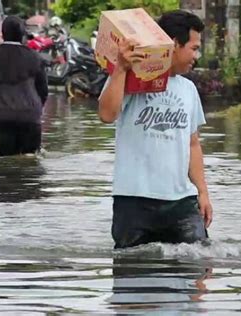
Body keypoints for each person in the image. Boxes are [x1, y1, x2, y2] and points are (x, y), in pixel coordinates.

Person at [98, 10, 212, 248]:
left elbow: (193, 143)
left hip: (181, 200)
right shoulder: (131, 78)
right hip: (134, 200)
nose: (196, 56)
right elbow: (106, 115)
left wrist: (202, 192)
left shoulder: (188, 89)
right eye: (194, 48)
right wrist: (120, 69)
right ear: (174, 44)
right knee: (132, 272)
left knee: (200, 264)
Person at [0, 16, 48, 156]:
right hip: (29, 115)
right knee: (30, 160)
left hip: (0, 116)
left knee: (6, 160)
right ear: (23, 33)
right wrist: (38, 108)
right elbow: (43, 90)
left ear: (2, 33)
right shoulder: (34, 57)